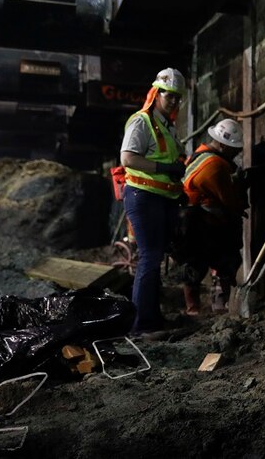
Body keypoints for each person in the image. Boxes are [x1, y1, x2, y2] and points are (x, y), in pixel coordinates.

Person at [120, 67, 188, 335]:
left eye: (176, 97)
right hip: (143, 197)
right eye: (168, 95)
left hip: (161, 198)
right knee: (149, 258)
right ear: (157, 92)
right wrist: (165, 171)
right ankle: (142, 326)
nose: (172, 101)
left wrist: (176, 184)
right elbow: (128, 158)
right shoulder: (142, 121)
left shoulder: (166, 125)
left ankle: (152, 318)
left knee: (155, 258)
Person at [174, 118, 248, 315]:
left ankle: (194, 308)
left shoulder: (199, 155)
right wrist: (240, 206)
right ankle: (218, 304)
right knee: (226, 259)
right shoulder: (215, 165)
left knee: (195, 264)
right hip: (203, 221)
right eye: (235, 148)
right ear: (224, 146)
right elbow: (228, 200)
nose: (237, 152)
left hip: (189, 220)